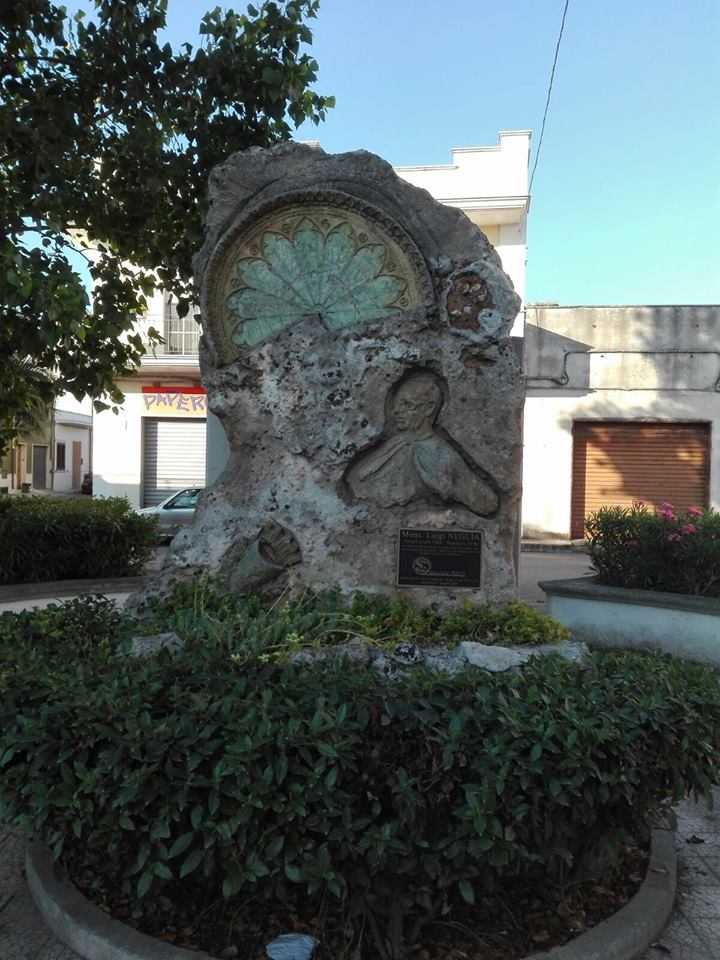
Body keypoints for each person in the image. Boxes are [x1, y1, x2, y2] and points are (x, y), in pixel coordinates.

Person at [346, 370, 498, 515]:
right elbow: (357, 481)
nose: (396, 411)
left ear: (429, 408)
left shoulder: (444, 455)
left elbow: (486, 502)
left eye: (407, 405)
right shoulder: (392, 445)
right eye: (397, 405)